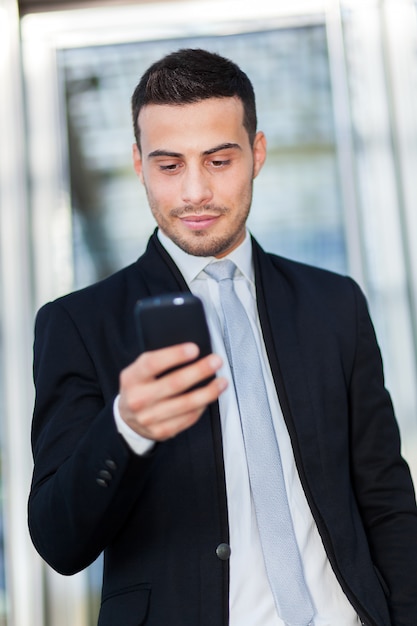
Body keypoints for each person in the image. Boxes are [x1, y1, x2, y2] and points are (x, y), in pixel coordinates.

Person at [28, 48, 417, 626]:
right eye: (169, 165)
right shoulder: (79, 325)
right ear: (138, 164)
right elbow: (59, 543)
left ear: (256, 153)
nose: (195, 193)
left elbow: (387, 499)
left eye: (218, 160)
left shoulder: (334, 304)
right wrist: (125, 429)